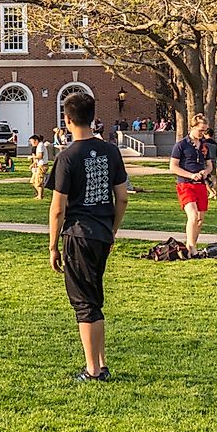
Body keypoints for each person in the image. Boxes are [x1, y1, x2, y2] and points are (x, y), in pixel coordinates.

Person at [48, 91, 129, 383]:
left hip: (77, 235)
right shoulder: (111, 151)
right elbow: (122, 198)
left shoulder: (67, 157)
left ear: (66, 120)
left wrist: (52, 246)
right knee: (94, 298)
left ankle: (93, 369)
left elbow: (58, 208)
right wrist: (112, 230)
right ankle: (101, 362)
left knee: (84, 303)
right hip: (101, 234)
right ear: (93, 117)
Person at [169, 120, 213, 256]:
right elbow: (173, 166)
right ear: (192, 127)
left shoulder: (205, 146)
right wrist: (191, 175)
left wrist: (205, 172)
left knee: (199, 219)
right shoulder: (181, 145)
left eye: (204, 130)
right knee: (193, 216)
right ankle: (193, 248)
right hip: (185, 184)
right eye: (200, 130)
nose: (202, 133)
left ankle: (190, 245)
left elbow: (209, 165)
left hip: (200, 185)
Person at [29, 134, 50, 200]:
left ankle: (40, 196)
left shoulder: (40, 145)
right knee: (33, 181)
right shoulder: (39, 146)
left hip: (42, 166)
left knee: (38, 182)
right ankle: (39, 194)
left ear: (36, 140)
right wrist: (33, 164)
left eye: (32, 141)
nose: (31, 143)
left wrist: (32, 157)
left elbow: (40, 156)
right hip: (39, 165)